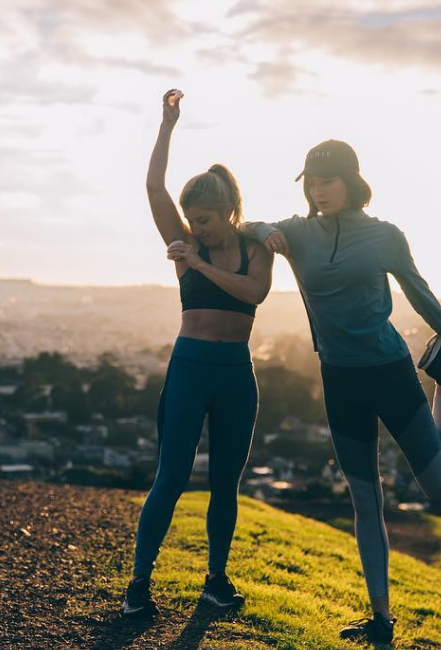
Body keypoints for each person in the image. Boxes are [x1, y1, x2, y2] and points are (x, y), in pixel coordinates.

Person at [240, 139, 441, 644]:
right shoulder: (296, 233)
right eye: (311, 184)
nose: (318, 192)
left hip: (390, 369)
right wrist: (266, 230)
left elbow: (417, 288)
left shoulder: (385, 235)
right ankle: (380, 620)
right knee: (365, 501)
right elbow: (244, 225)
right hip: (338, 378)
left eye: (327, 182)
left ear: (351, 181)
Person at [122, 90, 274, 617]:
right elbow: (152, 186)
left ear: (229, 212)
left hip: (235, 372)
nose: (195, 227)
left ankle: (215, 580)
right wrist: (167, 126)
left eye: (204, 219)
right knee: (171, 475)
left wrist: (200, 265)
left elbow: (253, 294)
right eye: (191, 218)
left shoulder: (253, 248)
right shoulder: (185, 241)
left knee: (226, 483)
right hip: (190, 367)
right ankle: (139, 585)